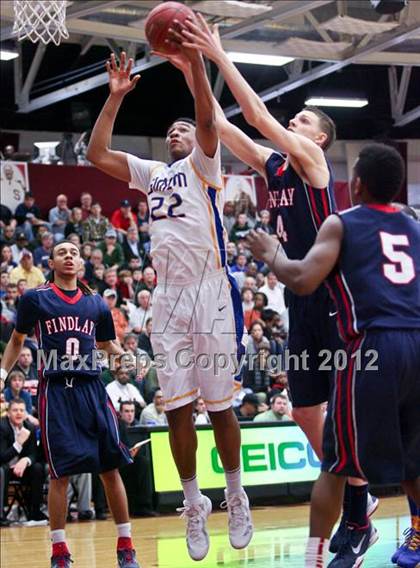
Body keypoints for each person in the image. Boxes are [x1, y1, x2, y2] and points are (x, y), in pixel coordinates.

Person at [164, 16, 375, 560]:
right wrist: (193, 71)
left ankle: (357, 504)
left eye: (302, 118)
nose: (292, 121)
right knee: (305, 413)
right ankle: (359, 488)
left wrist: (215, 50)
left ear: (319, 136)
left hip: (331, 296)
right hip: (298, 301)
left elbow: (255, 113)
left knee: (340, 408)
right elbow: (224, 125)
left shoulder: (313, 161)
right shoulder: (276, 165)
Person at [87, 48, 253, 561]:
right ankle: (193, 501)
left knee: (221, 406)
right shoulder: (152, 172)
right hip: (168, 295)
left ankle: (234, 493)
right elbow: (97, 153)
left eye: (186, 128)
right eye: (174, 130)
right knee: (178, 411)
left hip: (210, 290)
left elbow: (205, 116)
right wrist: (114, 98)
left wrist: (196, 66)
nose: (179, 132)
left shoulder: (204, 163)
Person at [246, 143, 420, 568]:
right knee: (415, 461)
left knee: (337, 462)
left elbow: (303, 279)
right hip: (417, 344)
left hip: (371, 349)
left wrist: (271, 253)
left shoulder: (342, 222)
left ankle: (315, 559)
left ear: (356, 184)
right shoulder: (415, 227)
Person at [0, 240, 140, 568]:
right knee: (59, 473)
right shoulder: (36, 298)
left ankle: (126, 546)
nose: (69, 256)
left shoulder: (96, 304)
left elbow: (106, 343)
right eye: (62, 252)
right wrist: (2, 373)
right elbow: (17, 340)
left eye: (74, 253)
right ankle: (59, 553)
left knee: (110, 467)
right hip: (57, 391)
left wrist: (126, 357)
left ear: (81, 263)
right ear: (51, 262)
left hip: (92, 388)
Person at [0, 398, 46, 522]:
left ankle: (35, 511)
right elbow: (2, 457)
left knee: (37, 468)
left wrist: (26, 460)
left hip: (21, 469)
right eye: (15, 410)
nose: (19, 413)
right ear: (8, 413)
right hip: (5, 468)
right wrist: (18, 444)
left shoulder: (29, 427)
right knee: (1, 470)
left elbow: (34, 453)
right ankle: (1, 513)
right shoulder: (2, 426)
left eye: (22, 410)